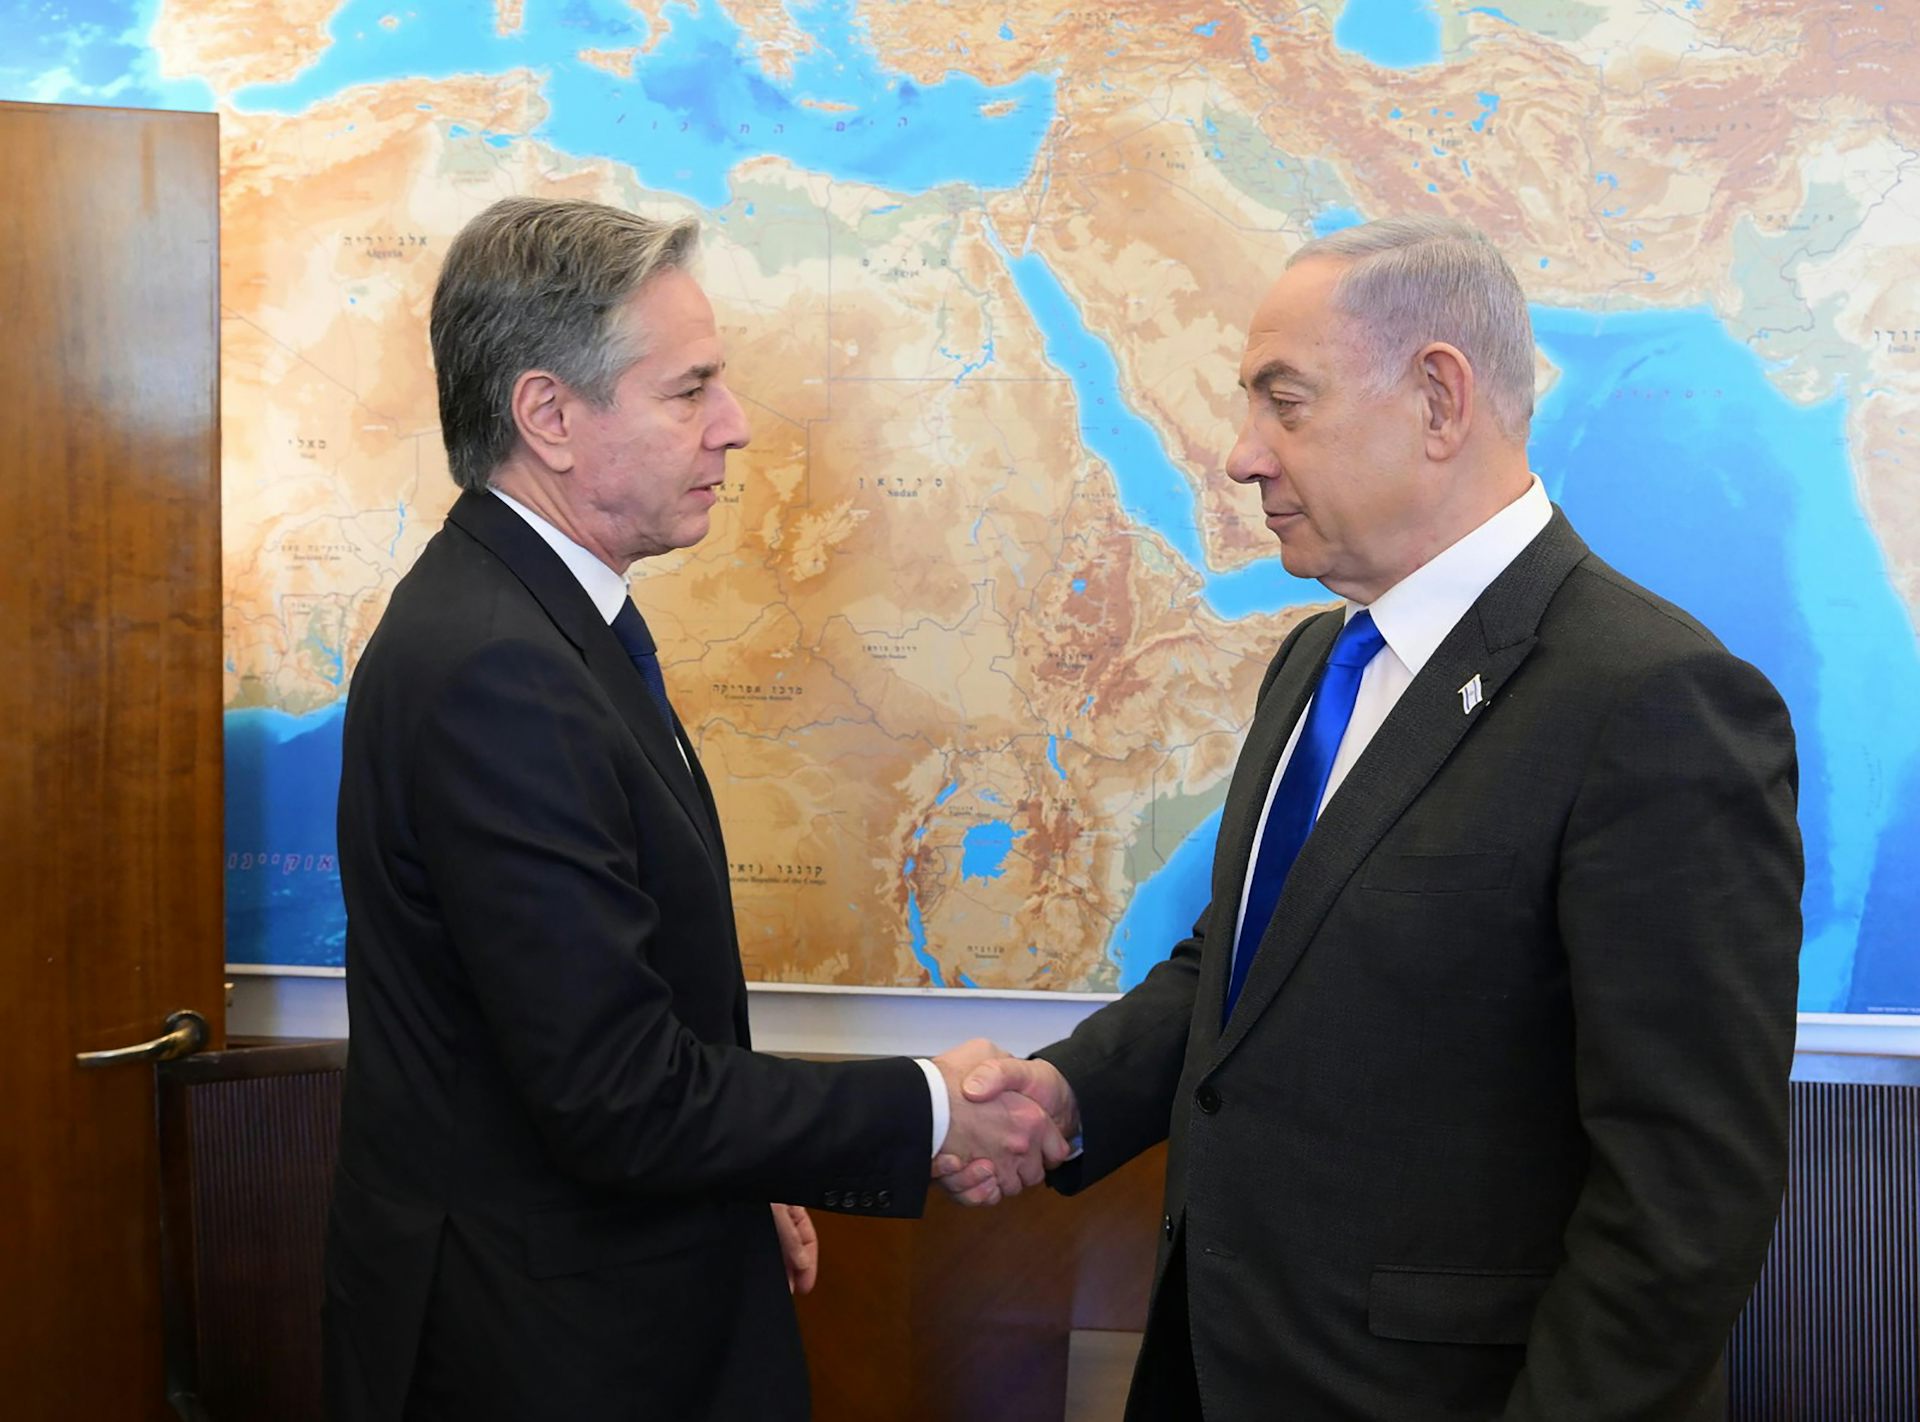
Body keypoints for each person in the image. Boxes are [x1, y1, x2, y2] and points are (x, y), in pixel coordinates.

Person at [944, 216, 1803, 1420]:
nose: (1242, 458)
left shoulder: (1653, 700)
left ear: (1439, 401)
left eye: (1284, 404)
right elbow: (1247, 967)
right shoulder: (1316, 661)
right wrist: (1067, 1096)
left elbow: (1687, 1192)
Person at [321, 196, 1065, 1422]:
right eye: (690, 390)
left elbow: (619, 1015)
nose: (734, 425)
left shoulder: (545, 619)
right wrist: (932, 1106)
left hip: (609, 1298)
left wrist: (749, 1167)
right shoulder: (499, 666)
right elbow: (616, 1095)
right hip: (545, 1351)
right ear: (549, 416)